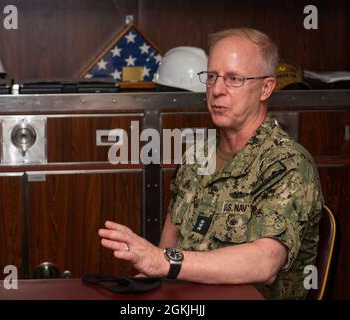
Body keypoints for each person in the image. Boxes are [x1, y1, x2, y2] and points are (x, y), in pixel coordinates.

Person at [99, 27, 323, 300]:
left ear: (266, 88)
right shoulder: (195, 158)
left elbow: (265, 263)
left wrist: (164, 261)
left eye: (234, 79)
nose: (217, 90)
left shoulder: (287, 164)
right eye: (212, 76)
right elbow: (164, 253)